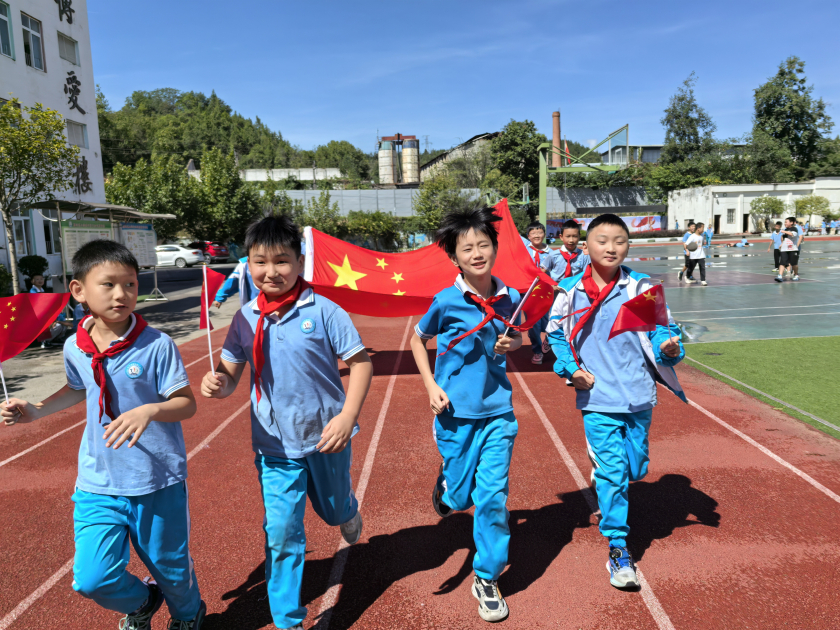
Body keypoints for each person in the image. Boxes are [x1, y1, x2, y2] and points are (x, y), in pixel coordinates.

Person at [1, 240, 205, 629]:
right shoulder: (74, 346)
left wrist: (149, 410)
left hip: (155, 480)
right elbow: (80, 387)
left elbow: (187, 404)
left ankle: (188, 613)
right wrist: (37, 411)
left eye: (129, 284)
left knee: (171, 568)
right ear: (78, 291)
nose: (121, 294)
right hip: (98, 482)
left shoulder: (156, 345)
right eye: (108, 284)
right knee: (92, 579)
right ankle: (143, 602)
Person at [201, 216, 372, 630]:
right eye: (260, 262)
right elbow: (230, 374)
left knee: (332, 513)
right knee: (281, 532)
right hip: (274, 446)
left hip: (326, 437)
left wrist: (347, 417)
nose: (271, 271)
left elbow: (361, 363)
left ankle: (346, 508)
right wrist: (217, 384)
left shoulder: (325, 310)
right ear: (248, 264)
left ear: (299, 262)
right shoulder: (244, 319)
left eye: (282, 261)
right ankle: (288, 620)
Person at [545, 213, 685, 589]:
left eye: (619, 240)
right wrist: (572, 369)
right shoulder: (570, 291)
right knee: (613, 474)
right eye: (602, 240)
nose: (611, 247)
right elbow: (555, 336)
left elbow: (662, 332)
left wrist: (670, 348)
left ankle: (611, 476)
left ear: (628, 245)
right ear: (585, 245)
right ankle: (619, 549)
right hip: (597, 398)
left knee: (636, 470)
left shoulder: (640, 289)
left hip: (639, 394)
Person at [410, 206, 522, 623]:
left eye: (483, 244)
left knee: (492, 498)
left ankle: (487, 577)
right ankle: (447, 486)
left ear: (494, 248)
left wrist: (515, 343)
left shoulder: (510, 297)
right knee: (459, 499)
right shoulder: (447, 301)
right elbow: (418, 340)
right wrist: (430, 386)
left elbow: (519, 332)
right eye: (467, 248)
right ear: (454, 257)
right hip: (455, 415)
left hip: (498, 414)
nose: (477, 253)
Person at [522, 221, 557, 365]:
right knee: (533, 323)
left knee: (550, 321)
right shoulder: (524, 249)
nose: (537, 235)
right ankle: (537, 351)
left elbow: (555, 272)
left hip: (546, 292)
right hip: (529, 292)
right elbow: (512, 235)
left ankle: (548, 340)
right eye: (533, 233)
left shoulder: (552, 254)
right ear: (528, 236)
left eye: (540, 232)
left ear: (544, 234)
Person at [776, 217, 801, 282]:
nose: (785, 223)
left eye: (786, 222)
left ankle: (796, 275)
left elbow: (792, 234)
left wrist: (783, 231)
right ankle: (780, 276)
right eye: (785, 222)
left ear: (791, 222)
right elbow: (784, 238)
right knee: (782, 263)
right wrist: (781, 244)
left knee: (794, 263)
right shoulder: (785, 230)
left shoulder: (794, 229)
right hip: (784, 249)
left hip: (792, 249)